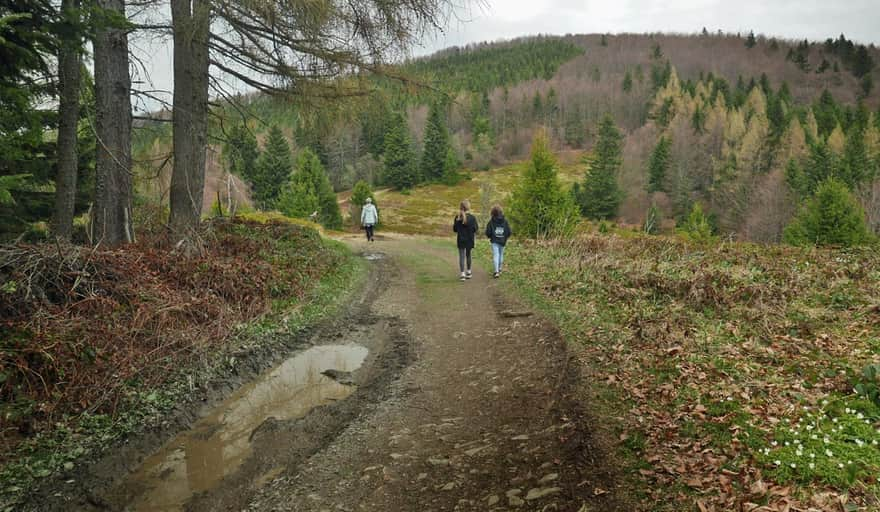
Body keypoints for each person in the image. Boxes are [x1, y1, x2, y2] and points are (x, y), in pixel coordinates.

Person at [452, 199, 478, 281]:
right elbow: (475, 229)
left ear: (461, 207)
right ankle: (469, 272)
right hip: (470, 239)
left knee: (461, 256)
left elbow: (455, 229)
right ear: (468, 207)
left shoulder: (457, 217)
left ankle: (462, 274)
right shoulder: (472, 218)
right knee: (468, 255)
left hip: (461, 239)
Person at [485, 205, 511, 278]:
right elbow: (509, 231)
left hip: (494, 241)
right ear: (501, 212)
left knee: (496, 255)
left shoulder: (491, 221)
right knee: (501, 254)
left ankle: (496, 271)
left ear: (492, 212)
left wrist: (490, 237)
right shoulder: (505, 221)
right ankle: (500, 269)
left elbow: (488, 232)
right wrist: (505, 237)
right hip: (503, 241)